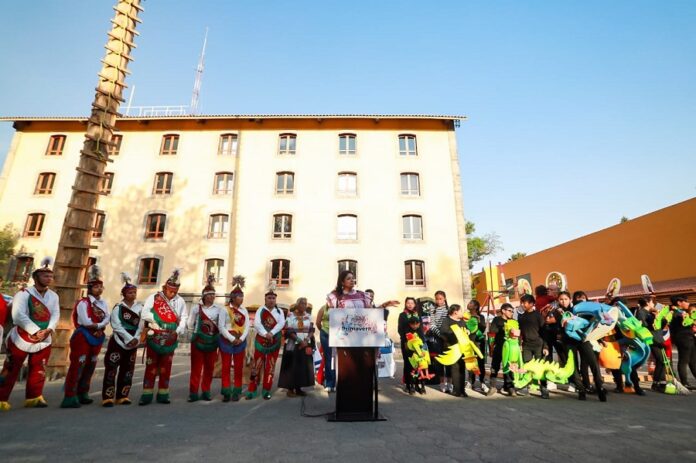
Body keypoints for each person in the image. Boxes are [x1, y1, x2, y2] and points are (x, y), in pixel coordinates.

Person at [0, 257, 59, 411]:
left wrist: (49, 329)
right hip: (22, 336)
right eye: (45, 275)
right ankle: (1, 398)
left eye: (51, 276)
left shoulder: (54, 296)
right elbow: (18, 315)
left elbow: (55, 314)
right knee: (11, 368)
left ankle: (34, 397)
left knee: (39, 369)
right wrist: (35, 330)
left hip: (44, 338)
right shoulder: (23, 294)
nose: (49, 278)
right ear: (36, 277)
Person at [61, 265, 110, 408]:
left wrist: (99, 325)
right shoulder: (83, 303)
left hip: (97, 335)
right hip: (83, 336)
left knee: (91, 365)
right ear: (90, 288)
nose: (99, 290)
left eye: (101, 287)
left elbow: (107, 317)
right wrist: (98, 325)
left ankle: (83, 392)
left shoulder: (103, 303)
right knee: (78, 365)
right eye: (96, 287)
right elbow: (84, 321)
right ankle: (70, 395)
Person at [139, 269, 188, 405]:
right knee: (151, 366)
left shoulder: (180, 301)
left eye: (175, 292)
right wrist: (157, 319)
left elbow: (184, 318)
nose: (172, 294)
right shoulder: (154, 298)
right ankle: (146, 394)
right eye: (170, 291)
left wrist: (178, 331)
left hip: (171, 337)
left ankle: (163, 394)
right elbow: (144, 313)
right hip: (155, 334)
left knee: (166, 367)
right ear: (165, 288)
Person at [101, 273, 143, 406]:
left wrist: (136, 338)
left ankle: (123, 395)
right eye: (130, 292)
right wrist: (128, 338)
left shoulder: (140, 308)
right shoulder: (118, 308)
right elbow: (116, 326)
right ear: (124, 294)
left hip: (133, 342)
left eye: (134, 292)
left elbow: (142, 325)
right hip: (118, 342)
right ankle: (108, 397)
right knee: (111, 369)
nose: (133, 294)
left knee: (128, 370)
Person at [187, 275, 222, 402]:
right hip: (198, 341)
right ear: (204, 296)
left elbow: (222, 324)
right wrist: (192, 335)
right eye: (209, 295)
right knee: (196, 367)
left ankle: (206, 391)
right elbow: (190, 323)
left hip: (212, 341)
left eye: (213, 295)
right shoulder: (196, 308)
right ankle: (193, 392)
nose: (212, 297)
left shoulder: (219, 309)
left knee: (209, 367)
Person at [246, 288, 285, 400]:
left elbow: (281, 323)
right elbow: (257, 324)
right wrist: (265, 333)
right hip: (261, 341)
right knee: (256, 366)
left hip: (274, 341)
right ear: (265, 299)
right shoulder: (260, 310)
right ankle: (252, 390)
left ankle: (266, 390)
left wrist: (271, 333)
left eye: (273, 298)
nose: (271, 300)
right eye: (269, 298)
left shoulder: (280, 311)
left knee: (271, 366)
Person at [218, 276, 249, 402]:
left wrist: (241, 338)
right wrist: (232, 338)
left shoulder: (244, 310)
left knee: (238, 368)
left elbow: (247, 326)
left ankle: (236, 391)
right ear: (233, 298)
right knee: (225, 367)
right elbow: (221, 326)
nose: (242, 299)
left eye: (242, 296)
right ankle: (226, 391)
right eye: (239, 296)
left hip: (240, 342)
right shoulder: (224, 310)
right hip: (227, 341)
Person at [278, 297, 315, 397]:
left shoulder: (308, 316)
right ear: (297, 305)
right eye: (302, 303)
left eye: (305, 303)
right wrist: (299, 341)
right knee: (291, 366)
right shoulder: (290, 315)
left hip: (305, 343)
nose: (304, 305)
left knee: (302, 367)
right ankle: (290, 389)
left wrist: (306, 340)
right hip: (293, 344)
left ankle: (299, 388)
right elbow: (288, 330)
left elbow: (311, 329)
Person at [518, 294, 550, 399]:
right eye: (522, 302)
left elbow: (544, 332)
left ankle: (544, 388)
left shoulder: (538, 316)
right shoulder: (521, 317)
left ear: (532, 304)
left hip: (538, 345)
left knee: (540, 368)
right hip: (526, 345)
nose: (522, 304)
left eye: (525, 302)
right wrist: (519, 344)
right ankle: (525, 387)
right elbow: (520, 333)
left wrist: (545, 347)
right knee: (526, 366)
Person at [666, 296, 696, 389]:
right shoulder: (676, 314)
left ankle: (686, 382)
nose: (688, 303)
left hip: (690, 338)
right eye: (686, 302)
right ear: (679, 303)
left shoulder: (682, 313)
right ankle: (684, 383)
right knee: (684, 361)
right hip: (683, 339)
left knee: (693, 361)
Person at [439, 304, 468, 397]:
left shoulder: (462, 321)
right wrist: (456, 333)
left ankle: (462, 390)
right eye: (461, 311)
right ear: (455, 312)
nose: (462, 313)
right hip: (452, 348)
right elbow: (443, 333)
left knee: (462, 369)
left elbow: (466, 330)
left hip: (463, 348)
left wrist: (468, 331)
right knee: (455, 369)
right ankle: (456, 390)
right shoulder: (446, 320)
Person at [427, 290, 451, 393]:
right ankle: (442, 383)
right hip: (438, 339)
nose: (438, 301)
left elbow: (451, 322)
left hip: (449, 339)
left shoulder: (449, 309)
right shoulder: (433, 310)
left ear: (444, 298)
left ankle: (450, 383)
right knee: (440, 361)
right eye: (437, 299)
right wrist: (440, 334)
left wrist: (447, 335)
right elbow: (432, 324)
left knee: (449, 361)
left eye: (440, 299)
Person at [489, 303, 514, 393]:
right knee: (494, 367)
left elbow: (517, 335)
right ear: (503, 311)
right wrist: (504, 328)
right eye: (510, 311)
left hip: (510, 348)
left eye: (512, 311)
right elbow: (492, 330)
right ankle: (492, 386)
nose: (511, 313)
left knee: (509, 367)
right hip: (499, 346)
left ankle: (509, 386)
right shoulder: (497, 319)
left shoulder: (513, 321)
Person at [466, 300, 489, 394]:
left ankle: (482, 382)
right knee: (471, 361)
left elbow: (483, 328)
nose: (468, 304)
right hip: (469, 341)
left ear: (476, 306)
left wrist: (478, 319)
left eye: (471, 303)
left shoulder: (481, 316)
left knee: (480, 362)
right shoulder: (466, 316)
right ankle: (471, 382)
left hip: (479, 342)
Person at [398, 297, 420, 394]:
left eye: (412, 303)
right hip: (407, 343)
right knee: (408, 363)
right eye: (408, 303)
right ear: (405, 304)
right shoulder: (402, 315)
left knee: (418, 363)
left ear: (415, 304)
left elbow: (421, 329)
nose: (410, 305)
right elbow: (400, 329)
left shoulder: (418, 315)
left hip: (418, 343)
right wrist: (406, 341)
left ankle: (416, 383)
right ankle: (408, 384)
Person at [315, 303, 335, 392]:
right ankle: (329, 383)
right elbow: (318, 322)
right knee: (328, 358)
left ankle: (337, 382)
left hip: (339, 335)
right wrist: (323, 331)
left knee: (339, 360)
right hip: (325, 334)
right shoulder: (323, 308)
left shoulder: (341, 306)